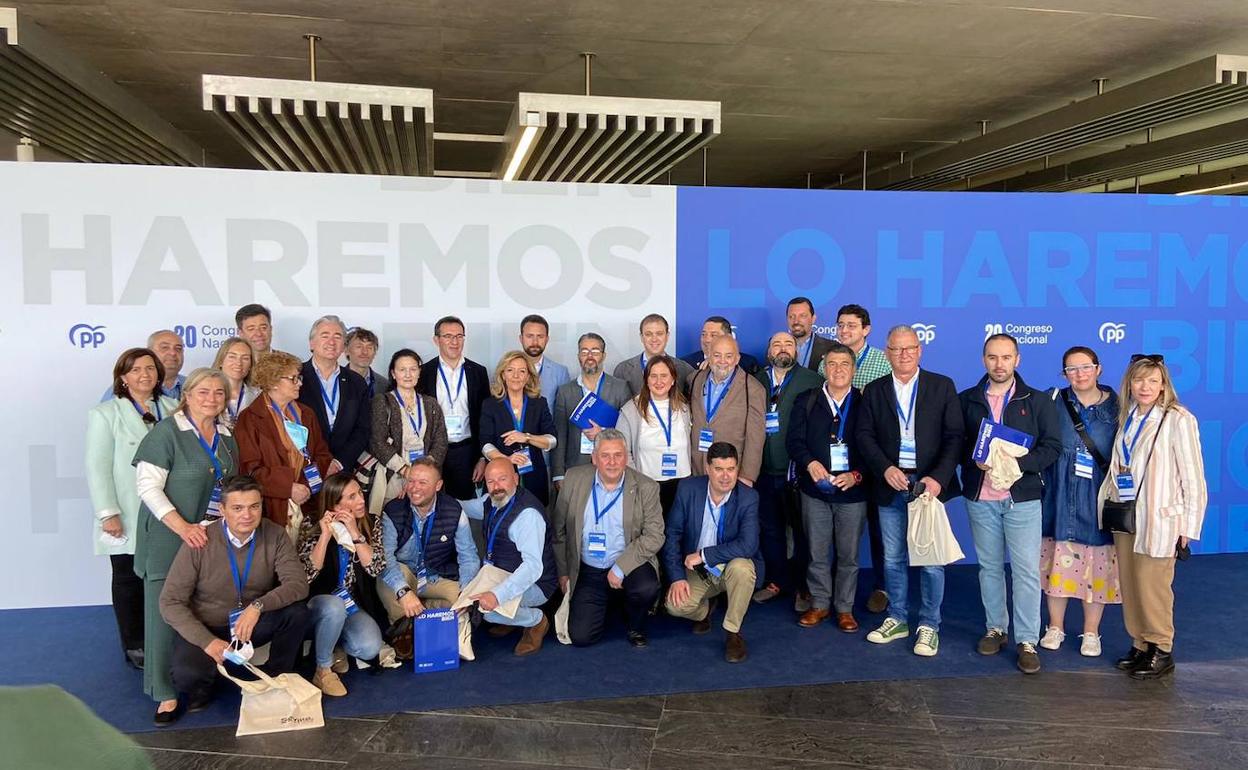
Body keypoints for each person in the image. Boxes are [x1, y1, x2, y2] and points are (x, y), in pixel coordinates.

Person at [133, 368, 239, 725]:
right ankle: (163, 693)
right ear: (188, 394)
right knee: (164, 613)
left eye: (219, 393)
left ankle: (200, 678)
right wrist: (182, 527)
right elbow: (148, 487)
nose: (211, 399)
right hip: (169, 536)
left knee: (202, 607)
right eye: (203, 392)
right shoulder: (167, 432)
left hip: (209, 539)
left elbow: (230, 488)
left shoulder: (226, 436)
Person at [159, 475, 309, 720]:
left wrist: (258, 606)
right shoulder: (199, 540)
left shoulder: (275, 535)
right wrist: (206, 641)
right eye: (237, 508)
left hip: (248, 624)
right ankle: (209, 681)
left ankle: (277, 675)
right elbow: (169, 602)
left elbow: (298, 584)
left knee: (298, 612)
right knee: (187, 676)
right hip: (207, 626)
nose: (247, 515)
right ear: (222, 510)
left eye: (254, 506)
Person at [856, 325, 963, 657]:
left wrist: (938, 478)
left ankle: (929, 624)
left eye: (909, 348)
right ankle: (897, 617)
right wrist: (884, 468)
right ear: (886, 353)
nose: (903, 355)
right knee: (893, 557)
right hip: (890, 484)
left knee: (931, 561)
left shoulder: (941, 386)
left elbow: (954, 436)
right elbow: (863, 435)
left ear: (920, 350)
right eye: (896, 349)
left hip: (927, 486)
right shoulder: (874, 390)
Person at [1098, 354, 1207, 680]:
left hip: (1160, 519)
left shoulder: (1178, 419)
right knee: (1130, 584)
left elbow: (1193, 477)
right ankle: (1140, 643)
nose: (1144, 387)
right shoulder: (1128, 415)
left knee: (1153, 585)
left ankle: (1161, 648)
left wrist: (1188, 525)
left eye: (1152, 381)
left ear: (1163, 385)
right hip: (1127, 514)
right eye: (1138, 380)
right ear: (1129, 383)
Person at [959, 333, 1062, 674]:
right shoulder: (968, 400)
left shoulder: (1037, 401)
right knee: (989, 567)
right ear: (983, 359)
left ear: (1017, 360)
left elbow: (1052, 447)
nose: (999, 364)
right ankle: (996, 628)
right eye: (992, 357)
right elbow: (956, 444)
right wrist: (972, 459)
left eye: (1005, 357)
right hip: (981, 497)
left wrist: (1019, 464)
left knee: (1026, 572)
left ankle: (1027, 640)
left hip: (1022, 498)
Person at [85, 348, 180, 671]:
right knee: (128, 578)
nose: (145, 375)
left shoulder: (172, 409)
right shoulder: (105, 414)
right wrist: (107, 512)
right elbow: (97, 467)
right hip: (126, 510)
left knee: (166, 577)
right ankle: (135, 643)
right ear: (123, 377)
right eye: (136, 370)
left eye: (150, 369)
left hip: (170, 511)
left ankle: (165, 637)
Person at [1040, 346, 1121, 658]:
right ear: (1064, 374)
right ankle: (1055, 626)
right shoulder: (1052, 401)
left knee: (1096, 569)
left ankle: (1091, 631)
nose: (1079, 374)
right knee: (1056, 565)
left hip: (1097, 498)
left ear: (1098, 369)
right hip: (1058, 496)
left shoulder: (1119, 406)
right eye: (1071, 369)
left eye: (1086, 367)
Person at [553, 430, 664, 647]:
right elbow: (559, 531)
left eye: (618, 455)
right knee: (581, 637)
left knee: (646, 588)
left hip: (627, 564)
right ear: (594, 458)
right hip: (588, 569)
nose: (612, 462)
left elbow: (655, 535)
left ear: (626, 457)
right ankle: (611, 602)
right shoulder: (573, 479)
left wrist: (621, 567)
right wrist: (564, 572)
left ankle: (636, 625)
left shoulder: (646, 487)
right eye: (605, 455)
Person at [786, 344, 867, 631]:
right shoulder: (806, 400)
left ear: (854, 369)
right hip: (814, 491)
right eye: (832, 364)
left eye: (844, 363)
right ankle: (819, 603)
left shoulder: (865, 402)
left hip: (853, 493)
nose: (838, 369)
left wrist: (857, 475)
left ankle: (844, 608)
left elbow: (877, 448)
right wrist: (809, 464)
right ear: (824, 368)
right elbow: (794, 442)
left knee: (849, 555)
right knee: (817, 553)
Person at [663, 442, 762, 663]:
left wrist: (705, 555)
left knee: (743, 568)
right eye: (719, 469)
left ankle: (733, 632)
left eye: (731, 469)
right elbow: (672, 535)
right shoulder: (688, 489)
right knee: (675, 606)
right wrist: (677, 578)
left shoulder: (748, 497)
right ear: (707, 468)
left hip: (729, 567)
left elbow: (748, 545)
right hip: (698, 571)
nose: (725, 476)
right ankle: (705, 611)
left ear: (737, 469)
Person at [377, 458, 479, 660]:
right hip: (402, 575)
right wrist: (404, 591)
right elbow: (385, 557)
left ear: (438, 486)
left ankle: (419, 617)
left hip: (433, 575)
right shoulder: (393, 510)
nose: (414, 488)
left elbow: (468, 556)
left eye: (423, 482)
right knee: (395, 577)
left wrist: (467, 591)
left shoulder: (454, 510)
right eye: (411, 481)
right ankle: (406, 627)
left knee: (461, 599)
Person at [296, 472, 385, 696]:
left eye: (360, 494)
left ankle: (336, 645)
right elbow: (306, 575)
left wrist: (355, 532)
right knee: (334, 606)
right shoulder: (311, 523)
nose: (361, 500)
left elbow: (375, 568)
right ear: (335, 504)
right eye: (352, 497)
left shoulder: (372, 522)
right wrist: (325, 536)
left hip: (352, 603)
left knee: (369, 647)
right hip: (320, 602)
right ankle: (323, 669)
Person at [459, 458, 559, 656]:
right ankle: (511, 615)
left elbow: (532, 568)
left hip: (537, 582)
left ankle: (537, 620)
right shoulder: (491, 500)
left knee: (487, 612)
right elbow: (467, 507)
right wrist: (437, 500)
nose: (496, 487)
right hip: (503, 573)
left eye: (502, 479)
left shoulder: (527, 515)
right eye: (490, 481)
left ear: (515, 478)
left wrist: (497, 595)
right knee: (473, 597)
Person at [830, 303, 892, 614]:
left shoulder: (883, 361)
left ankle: (883, 586)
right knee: (838, 532)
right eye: (840, 325)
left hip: (875, 460)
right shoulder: (827, 363)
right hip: (840, 462)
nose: (844, 331)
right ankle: (834, 594)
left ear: (866, 329)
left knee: (880, 530)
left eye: (851, 325)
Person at [751, 332, 820, 605]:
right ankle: (776, 581)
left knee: (803, 531)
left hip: (798, 471)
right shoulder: (755, 380)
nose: (782, 348)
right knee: (770, 530)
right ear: (769, 351)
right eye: (776, 343)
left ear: (797, 350)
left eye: (788, 344)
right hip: (762, 471)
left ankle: (804, 587)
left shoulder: (812, 381)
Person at [234, 351, 334, 532]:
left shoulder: (306, 414)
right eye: (293, 379)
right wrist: (288, 488)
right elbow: (250, 470)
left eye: (299, 377)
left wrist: (305, 486)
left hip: (308, 502)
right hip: (271, 508)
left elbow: (322, 454)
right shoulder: (249, 418)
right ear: (273, 383)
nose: (300, 383)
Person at [418, 316, 491, 499]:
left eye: (459, 336)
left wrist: (482, 457)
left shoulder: (478, 372)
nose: (454, 341)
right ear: (437, 340)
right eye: (448, 336)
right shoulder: (423, 372)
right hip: (432, 451)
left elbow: (485, 418)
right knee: (431, 503)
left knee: (463, 508)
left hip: (466, 452)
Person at [370, 349, 449, 513]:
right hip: (394, 476)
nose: (408, 374)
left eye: (413, 369)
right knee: (393, 522)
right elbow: (377, 442)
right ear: (393, 373)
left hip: (425, 479)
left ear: (419, 372)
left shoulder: (430, 403)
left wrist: (422, 475)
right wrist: (406, 471)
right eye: (402, 370)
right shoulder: (382, 401)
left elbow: (440, 441)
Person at [617, 355, 692, 519]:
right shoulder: (631, 410)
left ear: (673, 379)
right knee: (652, 534)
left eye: (664, 376)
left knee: (677, 533)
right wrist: (636, 482)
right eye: (653, 376)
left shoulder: (685, 409)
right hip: (647, 485)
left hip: (682, 484)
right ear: (646, 380)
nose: (659, 381)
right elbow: (622, 451)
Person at [552, 333, 631, 489]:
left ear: (603, 355)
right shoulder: (565, 391)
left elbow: (628, 431)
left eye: (595, 351)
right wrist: (558, 474)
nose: (589, 356)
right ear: (578, 356)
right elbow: (560, 434)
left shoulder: (620, 387)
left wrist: (602, 433)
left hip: (612, 468)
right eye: (584, 351)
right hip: (575, 469)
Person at [480, 351, 558, 506]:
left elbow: (552, 440)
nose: (516, 376)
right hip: (501, 477)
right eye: (510, 370)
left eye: (521, 371)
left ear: (528, 376)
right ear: (503, 375)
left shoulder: (539, 403)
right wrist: (505, 460)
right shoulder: (490, 405)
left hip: (534, 475)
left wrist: (527, 437)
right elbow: (485, 444)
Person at [688, 335, 766, 485]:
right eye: (717, 355)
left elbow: (755, 438)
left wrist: (747, 476)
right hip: (696, 469)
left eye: (728, 356)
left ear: (737, 359)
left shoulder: (753, 389)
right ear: (709, 357)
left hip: (730, 473)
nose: (722, 361)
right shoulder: (695, 379)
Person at [298, 315, 364, 476]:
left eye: (338, 336)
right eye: (325, 335)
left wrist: (339, 462)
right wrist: (320, 462)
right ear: (311, 343)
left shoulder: (356, 381)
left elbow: (363, 429)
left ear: (344, 346)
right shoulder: (296, 377)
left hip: (343, 468)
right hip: (304, 467)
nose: (331, 342)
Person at [613, 313, 695, 397]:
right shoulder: (622, 370)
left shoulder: (684, 369)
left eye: (659, 334)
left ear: (667, 336)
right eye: (648, 334)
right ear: (641, 337)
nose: (654, 339)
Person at [100, 330, 186, 403]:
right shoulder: (122, 390)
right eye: (165, 347)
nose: (173, 353)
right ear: (149, 352)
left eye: (178, 348)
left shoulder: (193, 384)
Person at [519, 314, 571, 405]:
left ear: (547, 339)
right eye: (530, 336)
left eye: (540, 336)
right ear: (521, 338)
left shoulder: (560, 373)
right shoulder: (506, 370)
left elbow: (563, 413)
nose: (535, 342)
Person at [681, 316, 760, 375]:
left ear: (728, 337)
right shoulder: (685, 364)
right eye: (703, 334)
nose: (707, 340)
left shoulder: (748, 363)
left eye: (714, 335)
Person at [212, 337, 261, 428]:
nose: (238, 363)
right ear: (221, 361)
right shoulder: (206, 395)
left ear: (250, 365)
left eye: (245, 358)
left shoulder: (259, 397)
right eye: (232, 357)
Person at [786, 297, 835, 371]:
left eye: (802, 316)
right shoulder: (776, 348)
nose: (796, 321)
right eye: (791, 316)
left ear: (813, 319)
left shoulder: (832, 347)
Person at [345, 327, 388, 399]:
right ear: (346, 351)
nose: (365, 352)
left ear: (375, 353)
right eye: (359, 347)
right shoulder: (335, 380)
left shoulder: (384, 385)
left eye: (369, 347)